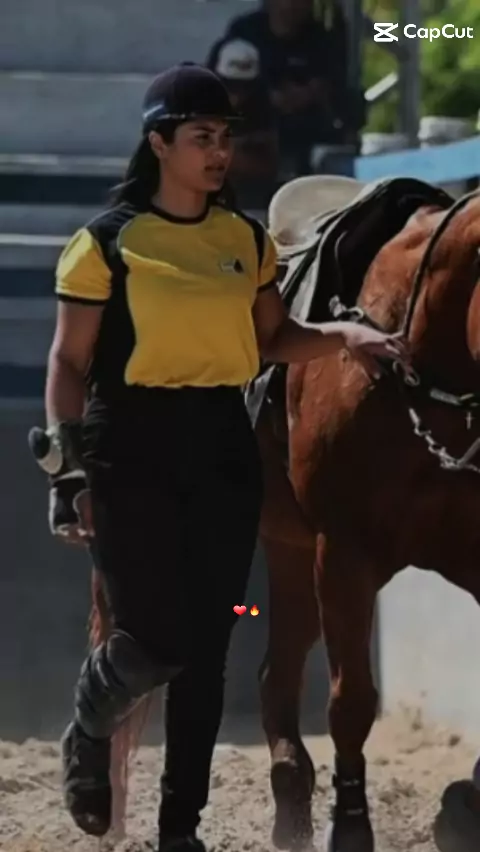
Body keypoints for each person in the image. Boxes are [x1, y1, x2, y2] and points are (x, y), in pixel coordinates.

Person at [36, 63, 407, 852]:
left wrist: (344, 335)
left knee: (208, 653)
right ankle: (90, 724)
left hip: (221, 444)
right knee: (154, 640)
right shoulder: (105, 243)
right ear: (159, 143)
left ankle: (182, 830)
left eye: (225, 139)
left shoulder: (244, 239)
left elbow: (274, 340)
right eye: (201, 137)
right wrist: (67, 470)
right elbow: (68, 362)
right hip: (127, 443)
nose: (218, 153)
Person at [222, 0, 357, 172]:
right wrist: (265, 96)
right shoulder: (245, 31)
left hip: (305, 128)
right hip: (252, 125)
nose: (291, 6)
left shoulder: (321, 37)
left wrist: (308, 93)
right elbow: (223, 79)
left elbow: (333, 81)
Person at [206, 37, 279, 197]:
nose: (237, 96)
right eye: (230, 86)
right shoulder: (194, 104)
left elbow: (270, 166)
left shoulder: (261, 109)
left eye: (245, 87)